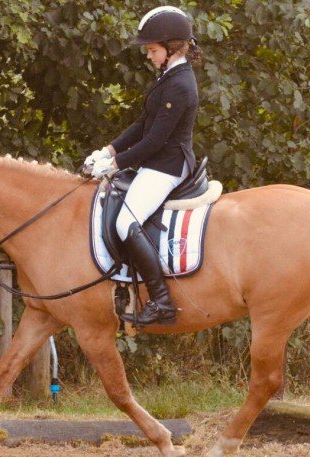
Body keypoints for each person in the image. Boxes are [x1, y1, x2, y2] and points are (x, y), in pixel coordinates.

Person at [86, 6, 202, 325]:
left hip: (168, 164)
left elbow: (155, 141)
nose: (149, 55)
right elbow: (142, 125)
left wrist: (114, 166)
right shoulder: (168, 76)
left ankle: (161, 299)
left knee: (126, 222)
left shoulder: (179, 85)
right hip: (156, 161)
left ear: (172, 47)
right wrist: (107, 151)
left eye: (152, 49)